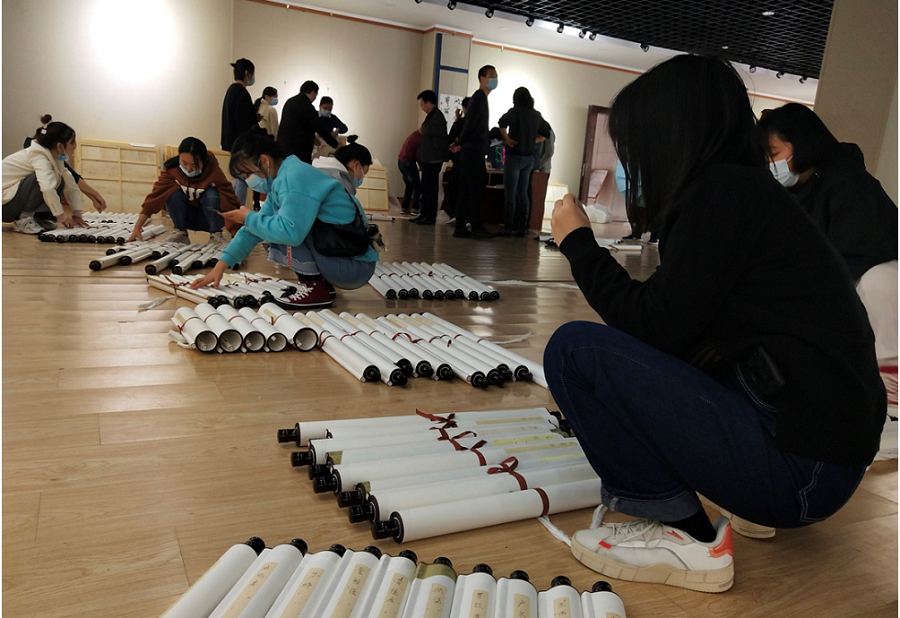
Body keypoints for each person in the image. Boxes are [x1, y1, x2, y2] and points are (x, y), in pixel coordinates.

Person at [545, 55, 885, 593]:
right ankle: (736, 497)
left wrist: (578, 243)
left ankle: (680, 530)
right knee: (655, 359)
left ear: (669, 136)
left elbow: (652, 325)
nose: (635, 161)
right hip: (824, 462)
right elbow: (678, 330)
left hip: (805, 474)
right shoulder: (745, 194)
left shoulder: (721, 195)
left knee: (575, 352)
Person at [758, 104, 898, 361]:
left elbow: (855, 254)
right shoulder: (799, 192)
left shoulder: (849, 185)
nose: (771, 164)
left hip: (874, 295)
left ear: (802, 143)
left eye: (774, 153)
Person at [190, 133, 378, 308]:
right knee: (269, 223)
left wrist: (248, 217)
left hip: (352, 266)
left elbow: (290, 232)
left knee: (283, 228)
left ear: (264, 161)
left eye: (247, 174)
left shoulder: (292, 178)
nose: (248, 181)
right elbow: (253, 228)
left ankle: (315, 288)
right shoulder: (284, 177)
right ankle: (321, 285)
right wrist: (221, 265)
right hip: (348, 260)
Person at [127, 137, 240, 244]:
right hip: (185, 216)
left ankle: (216, 235)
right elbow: (155, 198)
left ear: (204, 161)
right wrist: (138, 227)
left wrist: (236, 232)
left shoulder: (213, 170)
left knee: (212, 194)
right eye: (184, 163)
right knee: (172, 193)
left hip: (208, 217)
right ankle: (180, 233)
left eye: (194, 165)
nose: (188, 169)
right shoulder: (172, 169)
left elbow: (229, 198)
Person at [3, 115, 100, 234]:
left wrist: (76, 213)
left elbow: (70, 184)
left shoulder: (55, 158)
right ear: (59, 146)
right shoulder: (38, 156)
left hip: (10, 201)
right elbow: (47, 188)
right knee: (43, 180)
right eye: (72, 142)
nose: (75, 146)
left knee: (60, 180)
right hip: (4, 206)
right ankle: (23, 219)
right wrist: (61, 216)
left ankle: (40, 218)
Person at [450, 65, 498, 239]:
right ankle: (474, 227)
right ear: (481, 79)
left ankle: (462, 227)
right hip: (473, 152)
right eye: (491, 75)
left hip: (472, 151)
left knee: (467, 190)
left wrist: (461, 143)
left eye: (496, 76)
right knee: (474, 190)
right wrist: (460, 143)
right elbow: (470, 124)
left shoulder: (480, 98)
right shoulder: (478, 98)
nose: (494, 79)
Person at [497, 87, 550, 237]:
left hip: (514, 156)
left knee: (510, 193)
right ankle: (522, 228)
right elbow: (546, 133)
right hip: (529, 159)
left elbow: (502, 123)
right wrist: (533, 141)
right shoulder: (536, 115)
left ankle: (508, 227)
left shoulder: (515, 111)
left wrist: (507, 139)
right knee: (523, 193)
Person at [221, 58, 257, 208]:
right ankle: (237, 211)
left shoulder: (231, 90)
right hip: (240, 144)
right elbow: (243, 122)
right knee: (243, 179)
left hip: (231, 143)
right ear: (247, 74)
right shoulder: (241, 93)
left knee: (239, 179)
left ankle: (233, 209)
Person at [279, 80, 338, 164]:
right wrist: (334, 143)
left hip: (284, 145)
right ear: (313, 93)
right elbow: (318, 127)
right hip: (299, 148)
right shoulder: (307, 106)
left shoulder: (290, 102)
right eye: (316, 95)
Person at [413, 90, 448, 225]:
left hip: (433, 159)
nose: (422, 108)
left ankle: (429, 217)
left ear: (429, 103)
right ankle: (424, 214)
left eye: (422, 105)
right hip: (429, 158)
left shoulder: (437, 116)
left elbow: (425, 129)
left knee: (430, 189)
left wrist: (423, 128)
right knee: (426, 188)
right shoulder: (432, 116)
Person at [445, 96, 470, 221]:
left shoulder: (460, 123)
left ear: (464, 108)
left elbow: (450, 139)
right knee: (467, 190)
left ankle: (455, 214)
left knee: (455, 188)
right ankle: (466, 216)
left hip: (459, 161)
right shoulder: (479, 123)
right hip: (471, 162)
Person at [397, 129, 423, 216]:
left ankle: (404, 207)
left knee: (409, 185)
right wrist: (421, 166)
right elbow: (418, 154)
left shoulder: (413, 135)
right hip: (409, 162)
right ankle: (415, 208)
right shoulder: (420, 138)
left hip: (401, 161)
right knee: (417, 186)